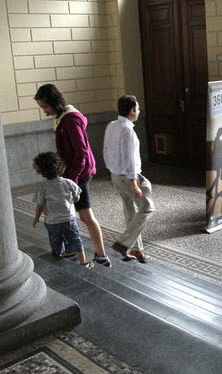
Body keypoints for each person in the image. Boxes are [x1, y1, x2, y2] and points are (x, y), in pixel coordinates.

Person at [34, 84, 111, 267]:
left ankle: (101, 255)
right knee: (81, 215)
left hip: (79, 173)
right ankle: (73, 247)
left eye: (45, 106)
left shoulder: (69, 120)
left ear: (54, 102)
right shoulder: (62, 117)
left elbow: (81, 152)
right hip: (75, 173)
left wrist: (72, 180)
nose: (44, 111)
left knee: (86, 216)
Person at [103, 95, 155, 263]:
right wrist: (134, 184)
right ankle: (124, 243)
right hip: (127, 177)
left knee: (130, 211)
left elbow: (107, 150)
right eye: (138, 108)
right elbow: (129, 159)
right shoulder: (127, 130)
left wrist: (111, 173)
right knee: (147, 208)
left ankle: (136, 250)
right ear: (132, 110)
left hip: (116, 176)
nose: (139, 111)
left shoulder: (112, 125)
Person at [32, 152, 94, 269]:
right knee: (75, 239)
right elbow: (77, 197)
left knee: (55, 240)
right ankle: (83, 262)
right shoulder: (68, 182)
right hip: (68, 220)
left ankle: (59, 254)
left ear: (41, 171)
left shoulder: (42, 187)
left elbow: (39, 205)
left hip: (51, 221)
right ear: (61, 166)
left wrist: (36, 218)